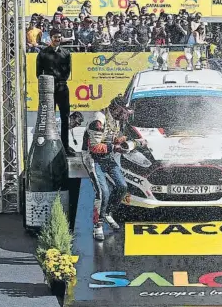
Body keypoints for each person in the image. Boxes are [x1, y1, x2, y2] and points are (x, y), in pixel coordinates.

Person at [82, 96, 145, 241]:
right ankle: (97, 226)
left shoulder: (116, 119)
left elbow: (114, 139)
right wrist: (115, 147)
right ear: (116, 108)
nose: (125, 116)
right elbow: (95, 147)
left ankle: (108, 213)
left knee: (122, 187)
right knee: (103, 192)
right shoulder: (99, 119)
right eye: (123, 112)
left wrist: (131, 142)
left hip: (106, 157)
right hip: (92, 158)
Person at [36, 29, 75, 156]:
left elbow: (68, 71)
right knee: (49, 118)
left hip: (62, 88)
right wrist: (49, 83)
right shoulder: (43, 53)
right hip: (48, 91)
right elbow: (38, 74)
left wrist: (60, 81)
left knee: (65, 118)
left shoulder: (66, 53)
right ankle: (48, 147)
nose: (57, 39)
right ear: (50, 38)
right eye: (55, 37)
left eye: (59, 37)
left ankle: (65, 147)